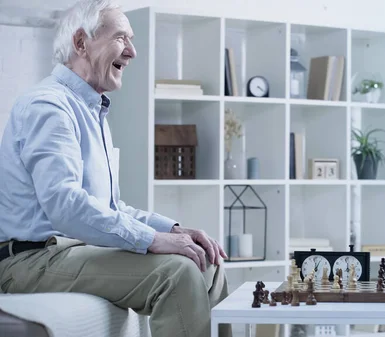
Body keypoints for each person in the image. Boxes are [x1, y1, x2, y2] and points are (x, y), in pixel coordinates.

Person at [0, 0, 231, 336]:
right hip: (30, 261)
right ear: (81, 43)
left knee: (207, 263)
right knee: (176, 273)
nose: (133, 52)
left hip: (72, 252)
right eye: (121, 38)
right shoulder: (48, 106)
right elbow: (66, 207)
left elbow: (110, 209)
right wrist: (153, 240)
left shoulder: (92, 111)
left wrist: (174, 231)